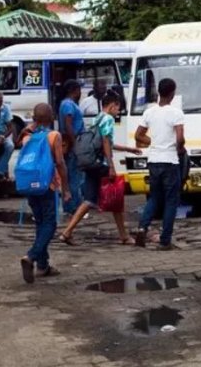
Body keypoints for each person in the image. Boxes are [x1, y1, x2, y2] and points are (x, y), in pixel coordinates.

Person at [59, 92, 141, 246]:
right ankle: (124, 236)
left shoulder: (98, 118)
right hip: (101, 164)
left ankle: (67, 232)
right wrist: (111, 166)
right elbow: (105, 142)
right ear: (112, 106)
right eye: (118, 109)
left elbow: (106, 143)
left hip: (91, 163)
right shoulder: (108, 119)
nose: (118, 112)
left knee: (89, 200)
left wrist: (129, 149)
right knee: (116, 200)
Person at [18, 103, 71, 284]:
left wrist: (32, 124)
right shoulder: (54, 136)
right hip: (47, 186)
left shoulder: (27, 138)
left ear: (34, 118)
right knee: (50, 224)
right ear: (51, 118)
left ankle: (43, 265)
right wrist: (66, 188)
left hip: (30, 186)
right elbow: (60, 164)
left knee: (41, 224)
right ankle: (31, 257)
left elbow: (21, 139)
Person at [134, 78, 186, 250]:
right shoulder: (176, 113)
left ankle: (142, 227)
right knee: (171, 200)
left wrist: (153, 142)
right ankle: (165, 240)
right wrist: (179, 148)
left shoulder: (150, 112)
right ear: (172, 93)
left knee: (155, 197)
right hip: (170, 160)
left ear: (159, 92)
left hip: (154, 160)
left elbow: (138, 135)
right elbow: (180, 138)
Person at [58, 80, 85, 215]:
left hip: (72, 141)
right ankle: (73, 207)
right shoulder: (68, 104)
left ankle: (73, 206)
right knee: (74, 176)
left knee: (72, 175)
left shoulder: (67, 104)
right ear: (74, 90)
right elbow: (68, 125)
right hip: (73, 142)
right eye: (79, 89)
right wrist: (75, 143)